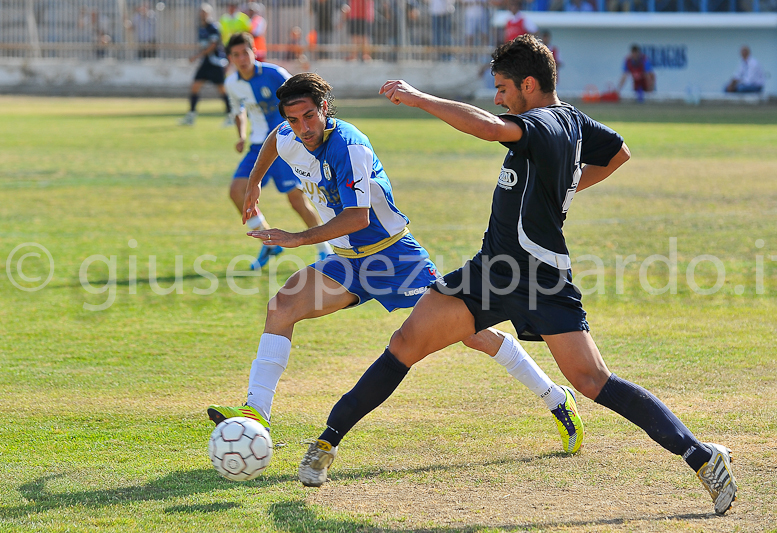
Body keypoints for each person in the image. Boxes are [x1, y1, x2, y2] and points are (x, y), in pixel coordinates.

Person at [297, 35, 738, 518]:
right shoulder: (573, 119)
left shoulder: (544, 124)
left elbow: (489, 129)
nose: (499, 98)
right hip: (491, 270)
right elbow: (619, 152)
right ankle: (326, 442)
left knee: (591, 380)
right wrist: (562, 189)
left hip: (542, 278)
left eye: (504, 88)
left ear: (530, 85)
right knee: (405, 343)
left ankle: (702, 456)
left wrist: (420, 98)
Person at [207, 72, 584, 462]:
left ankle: (557, 398)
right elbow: (273, 141)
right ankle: (256, 413)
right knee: (280, 307)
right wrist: (254, 182)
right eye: (293, 120)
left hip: (395, 258)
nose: (302, 128)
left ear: (324, 109)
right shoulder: (289, 135)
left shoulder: (349, 146)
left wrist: (298, 238)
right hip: (347, 262)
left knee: (473, 334)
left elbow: (357, 217)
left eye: (309, 116)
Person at [224, 32, 333, 269]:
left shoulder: (274, 75)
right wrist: (241, 135)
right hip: (257, 146)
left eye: (245, 52)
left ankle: (325, 249)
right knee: (237, 191)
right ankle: (270, 245)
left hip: (283, 146)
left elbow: (300, 96)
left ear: (254, 51)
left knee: (296, 200)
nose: (242, 58)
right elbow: (237, 110)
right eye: (236, 55)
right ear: (230, 58)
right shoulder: (232, 83)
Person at [179, 4, 232, 127]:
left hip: (215, 63)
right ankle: (191, 116)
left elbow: (212, 46)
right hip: (206, 63)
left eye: (205, 12)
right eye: (201, 12)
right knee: (195, 87)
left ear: (209, 14)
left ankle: (231, 115)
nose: (202, 14)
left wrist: (196, 56)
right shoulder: (200, 28)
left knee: (222, 90)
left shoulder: (213, 27)